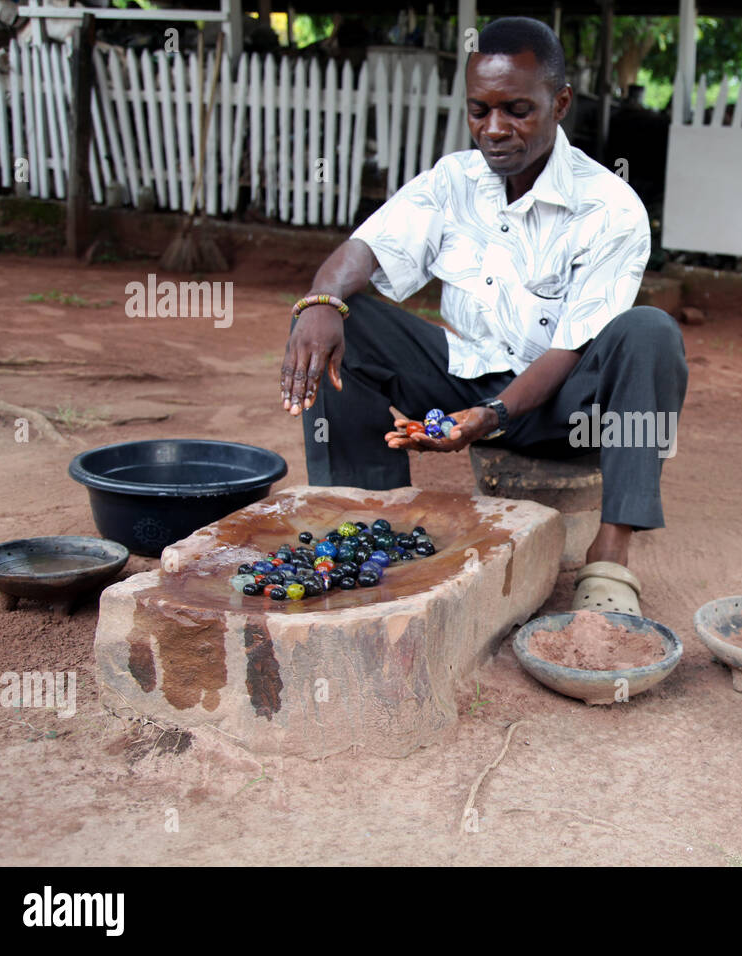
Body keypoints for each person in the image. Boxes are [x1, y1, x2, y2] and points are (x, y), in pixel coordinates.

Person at [279, 16, 687, 615]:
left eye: (517, 109)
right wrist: (320, 301)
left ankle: (611, 557)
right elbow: (367, 248)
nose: (495, 129)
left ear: (560, 103)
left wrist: (490, 417)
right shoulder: (454, 180)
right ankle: (370, 522)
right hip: (468, 375)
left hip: (565, 400)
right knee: (346, 318)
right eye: (480, 110)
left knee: (650, 333)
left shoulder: (610, 209)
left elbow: (572, 349)